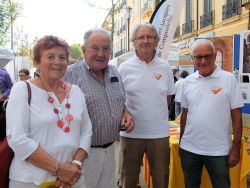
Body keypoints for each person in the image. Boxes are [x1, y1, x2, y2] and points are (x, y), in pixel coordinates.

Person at [6, 35, 92, 188]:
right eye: (50, 56)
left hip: (72, 180)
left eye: (62, 57)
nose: (57, 62)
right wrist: (59, 170)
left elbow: (86, 131)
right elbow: (17, 138)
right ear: (37, 62)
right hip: (29, 181)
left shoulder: (76, 91)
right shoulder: (22, 89)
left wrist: (75, 166)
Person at [64, 28, 134, 188]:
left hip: (111, 149)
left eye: (106, 48)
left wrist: (126, 113)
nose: (101, 53)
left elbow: (120, 101)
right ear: (84, 50)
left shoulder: (114, 71)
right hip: (83, 155)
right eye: (95, 48)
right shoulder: (69, 74)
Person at [179, 39, 243, 188]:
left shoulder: (229, 80)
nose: (203, 61)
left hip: (218, 151)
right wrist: (182, 142)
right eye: (198, 57)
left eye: (207, 56)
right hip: (189, 149)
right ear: (192, 59)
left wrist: (236, 147)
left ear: (215, 56)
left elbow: (236, 115)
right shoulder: (187, 81)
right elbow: (185, 114)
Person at [118, 23, 175, 188]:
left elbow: (168, 97)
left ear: (156, 41)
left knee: (161, 178)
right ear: (134, 42)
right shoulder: (124, 68)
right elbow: (118, 99)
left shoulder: (164, 67)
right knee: (128, 179)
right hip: (131, 135)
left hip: (159, 134)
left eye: (149, 37)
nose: (145, 41)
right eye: (141, 37)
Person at [0, 68, 13, 141]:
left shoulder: (4, 74)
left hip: (2, 104)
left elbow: (11, 87)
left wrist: (3, 95)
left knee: (2, 126)